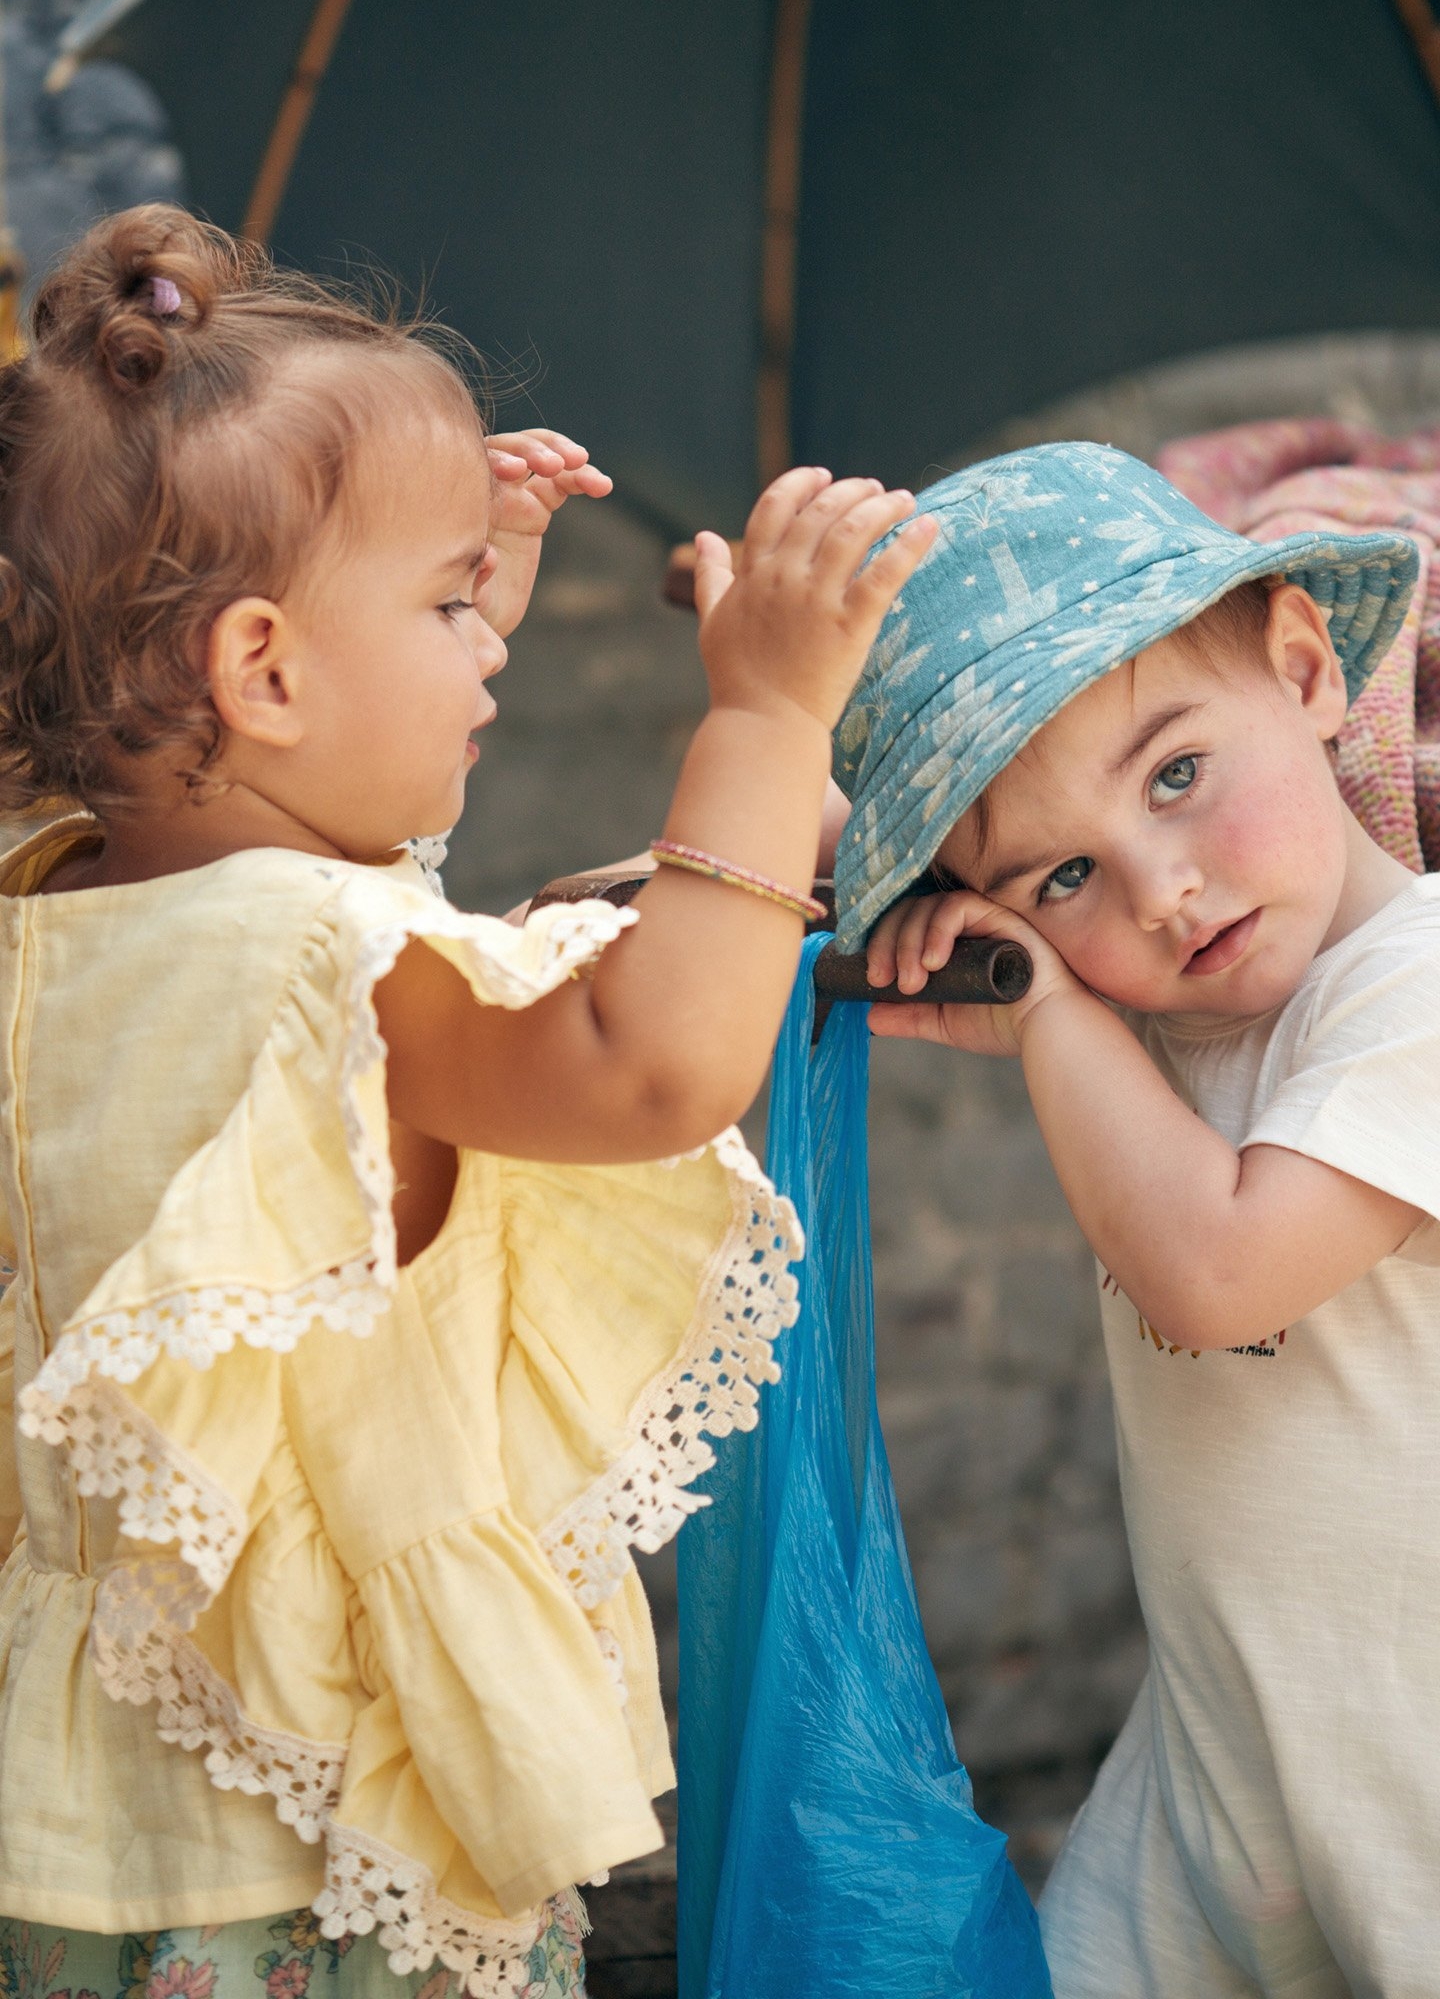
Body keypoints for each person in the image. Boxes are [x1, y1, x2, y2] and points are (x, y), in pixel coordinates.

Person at [0, 203, 937, 1997]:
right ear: (265, 672)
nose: (491, 647)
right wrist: (767, 720)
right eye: (448, 607)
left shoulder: (58, 910)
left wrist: (437, 597)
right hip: (313, 1842)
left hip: (83, 1808)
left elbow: (314, 948)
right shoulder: (330, 958)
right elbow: (651, 1066)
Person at [830, 439, 1436, 1998]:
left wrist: (1047, 1010)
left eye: (1178, 776)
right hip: (1227, 1763)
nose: (1162, 891)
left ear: (1306, 670)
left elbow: (1221, 1271)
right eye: (1065, 877)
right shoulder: (1176, 1020)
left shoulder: (1417, 995)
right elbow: (856, 868)